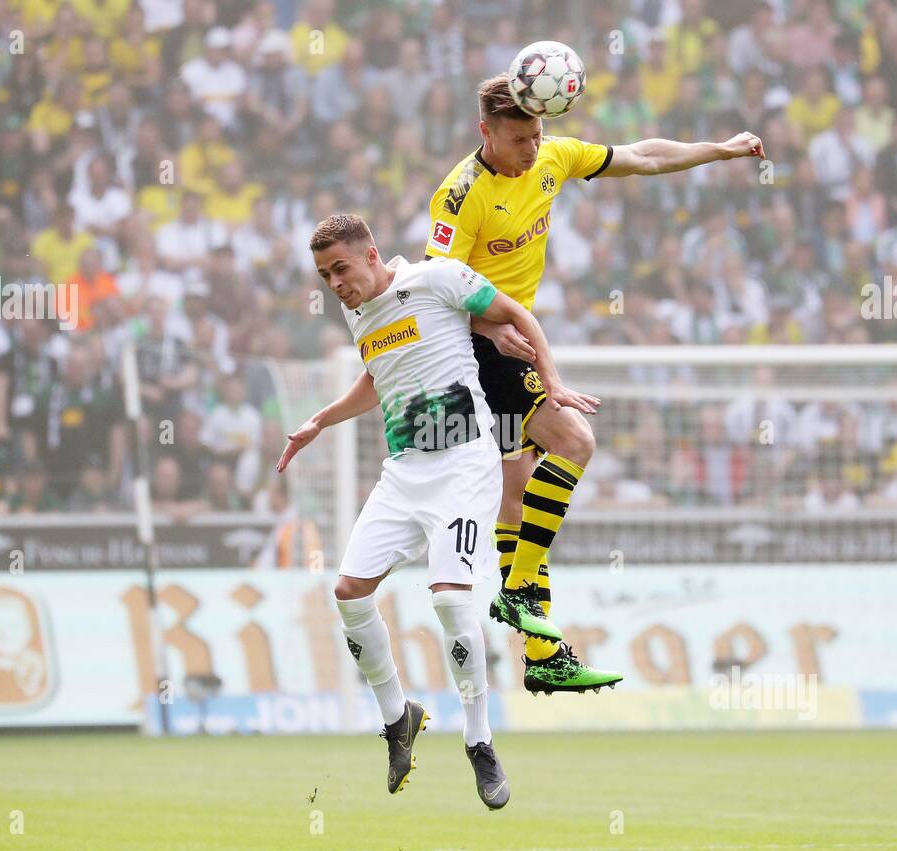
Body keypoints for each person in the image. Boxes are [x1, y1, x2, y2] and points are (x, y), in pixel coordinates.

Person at [424, 72, 762, 690]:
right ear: (486, 132)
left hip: (509, 341)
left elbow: (643, 156)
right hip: (476, 347)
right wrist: (489, 326)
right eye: (519, 137)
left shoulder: (553, 158)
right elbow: (432, 289)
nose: (532, 147)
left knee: (516, 495)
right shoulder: (459, 195)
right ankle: (521, 588)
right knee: (574, 442)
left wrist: (720, 149)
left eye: (538, 133)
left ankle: (540, 655)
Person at [277, 214, 596, 808]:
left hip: (464, 466)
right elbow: (378, 377)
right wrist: (320, 419)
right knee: (348, 591)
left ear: (371, 255)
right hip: (403, 473)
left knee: (450, 598)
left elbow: (518, 316)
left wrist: (549, 381)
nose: (335, 284)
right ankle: (399, 716)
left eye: (341, 269)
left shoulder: (438, 278)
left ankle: (479, 741)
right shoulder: (357, 313)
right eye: (324, 276)